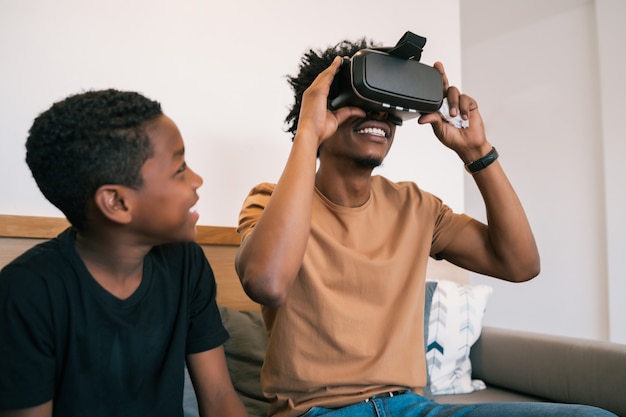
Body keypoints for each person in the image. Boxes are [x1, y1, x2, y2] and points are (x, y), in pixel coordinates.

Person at [234, 38, 617, 417]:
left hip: (411, 407)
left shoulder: (416, 207)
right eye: (362, 103)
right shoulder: (270, 202)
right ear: (324, 110)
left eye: (388, 108)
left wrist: (476, 152)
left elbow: (521, 264)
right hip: (316, 412)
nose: (380, 116)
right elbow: (267, 283)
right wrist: (307, 134)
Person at [0, 90, 249, 417]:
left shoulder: (186, 262)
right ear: (117, 203)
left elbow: (218, 397)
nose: (197, 180)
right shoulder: (26, 293)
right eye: (180, 168)